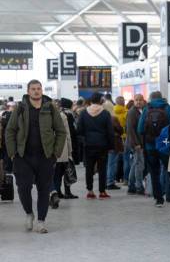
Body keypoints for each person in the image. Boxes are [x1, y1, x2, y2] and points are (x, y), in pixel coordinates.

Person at [5, 80, 66, 233]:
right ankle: (29, 213)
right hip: (23, 156)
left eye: (39, 89)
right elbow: (10, 131)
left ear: (41, 90)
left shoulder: (50, 108)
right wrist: (12, 153)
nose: (36, 91)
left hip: (45, 156)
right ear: (28, 91)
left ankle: (41, 221)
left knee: (44, 189)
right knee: (23, 188)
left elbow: (61, 131)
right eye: (33, 89)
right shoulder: (20, 108)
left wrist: (56, 153)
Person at [138, 91, 170, 207]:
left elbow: (140, 129)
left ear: (150, 98)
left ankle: (158, 199)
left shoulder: (146, 109)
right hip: (165, 145)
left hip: (150, 146)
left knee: (154, 172)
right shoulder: (168, 108)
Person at [77, 92, 114, 200]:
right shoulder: (105, 113)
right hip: (102, 145)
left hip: (89, 145)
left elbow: (79, 130)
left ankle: (90, 191)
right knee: (102, 169)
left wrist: (85, 140)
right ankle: (102, 191)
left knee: (89, 168)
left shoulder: (84, 113)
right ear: (101, 100)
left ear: (91, 100)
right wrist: (111, 146)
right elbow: (110, 132)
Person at [51, 101, 76, 205]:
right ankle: (64, 192)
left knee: (55, 174)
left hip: (50, 150)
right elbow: (67, 134)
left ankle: (56, 193)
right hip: (62, 149)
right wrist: (70, 150)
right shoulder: (62, 116)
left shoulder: (44, 118)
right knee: (64, 171)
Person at [126, 94, 145, 195]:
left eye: (140, 100)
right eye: (136, 100)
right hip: (136, 143)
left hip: (140, 142)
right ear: (133, 101)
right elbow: (130, 129)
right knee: (139, 165)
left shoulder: (141, 111)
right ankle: (139, 187)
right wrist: (136, 143)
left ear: (143, 100)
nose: (138, 102)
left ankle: (131, 186)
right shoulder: (132, 112)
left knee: (135, 163)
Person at [104, 100, 123, 190]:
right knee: (112, 163)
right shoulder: (113, 118)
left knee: (106, 163)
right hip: (114, 143)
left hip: (104, 143)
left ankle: (105, 181)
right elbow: (120, 130)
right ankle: (110, 182)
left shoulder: (101, 117)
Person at [113, 96, 129, 185]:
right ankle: (125, 178)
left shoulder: (112, 112)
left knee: (115, 159)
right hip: (125, 137)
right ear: (123, 103)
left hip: (116, 138)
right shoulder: (126, 113)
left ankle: (116, 177)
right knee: (125, 159)